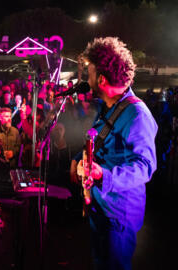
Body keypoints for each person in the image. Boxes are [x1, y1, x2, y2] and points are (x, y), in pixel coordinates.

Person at [72, 37, 157, 270]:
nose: (86, 79)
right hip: (102, 207)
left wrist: (104, 176)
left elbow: (145, 166)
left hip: (118, 214)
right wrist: (80, 161)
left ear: (101, 79)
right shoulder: (107, 107)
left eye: (89, 73)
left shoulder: (138, 115)